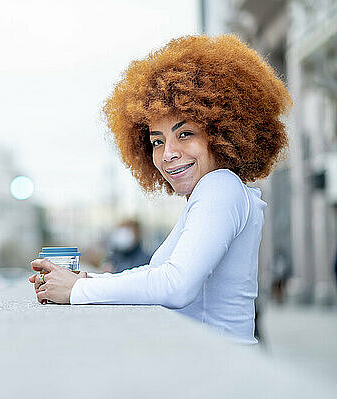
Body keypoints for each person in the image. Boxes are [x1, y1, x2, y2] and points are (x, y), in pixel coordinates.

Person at [29, 34, 292, 345]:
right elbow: (159, 275)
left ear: (221, 132)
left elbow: (176, 284)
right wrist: (88, 279)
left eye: (185, 134)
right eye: (157, 141)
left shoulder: (220, 187)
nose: (168, 153)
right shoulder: (219, 192)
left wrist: (77, 290)